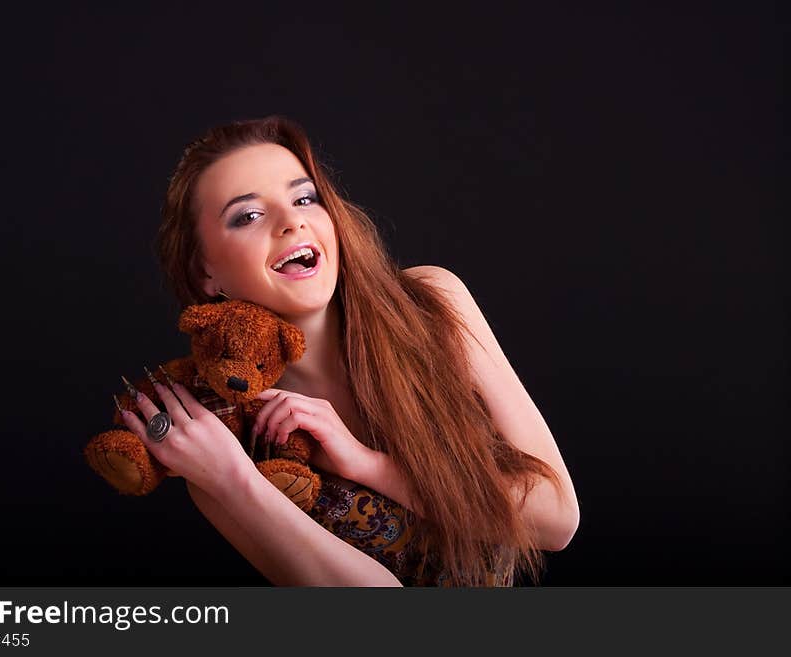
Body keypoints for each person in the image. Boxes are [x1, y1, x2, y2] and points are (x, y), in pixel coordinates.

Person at [116, 115, 580, 586]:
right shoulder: (224, 446)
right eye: (248, 215)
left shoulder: (434, 304)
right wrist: (236, 482)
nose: (291, 220)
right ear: (205, 273)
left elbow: (557, 520)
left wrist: (364, 462)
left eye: (304, 198)